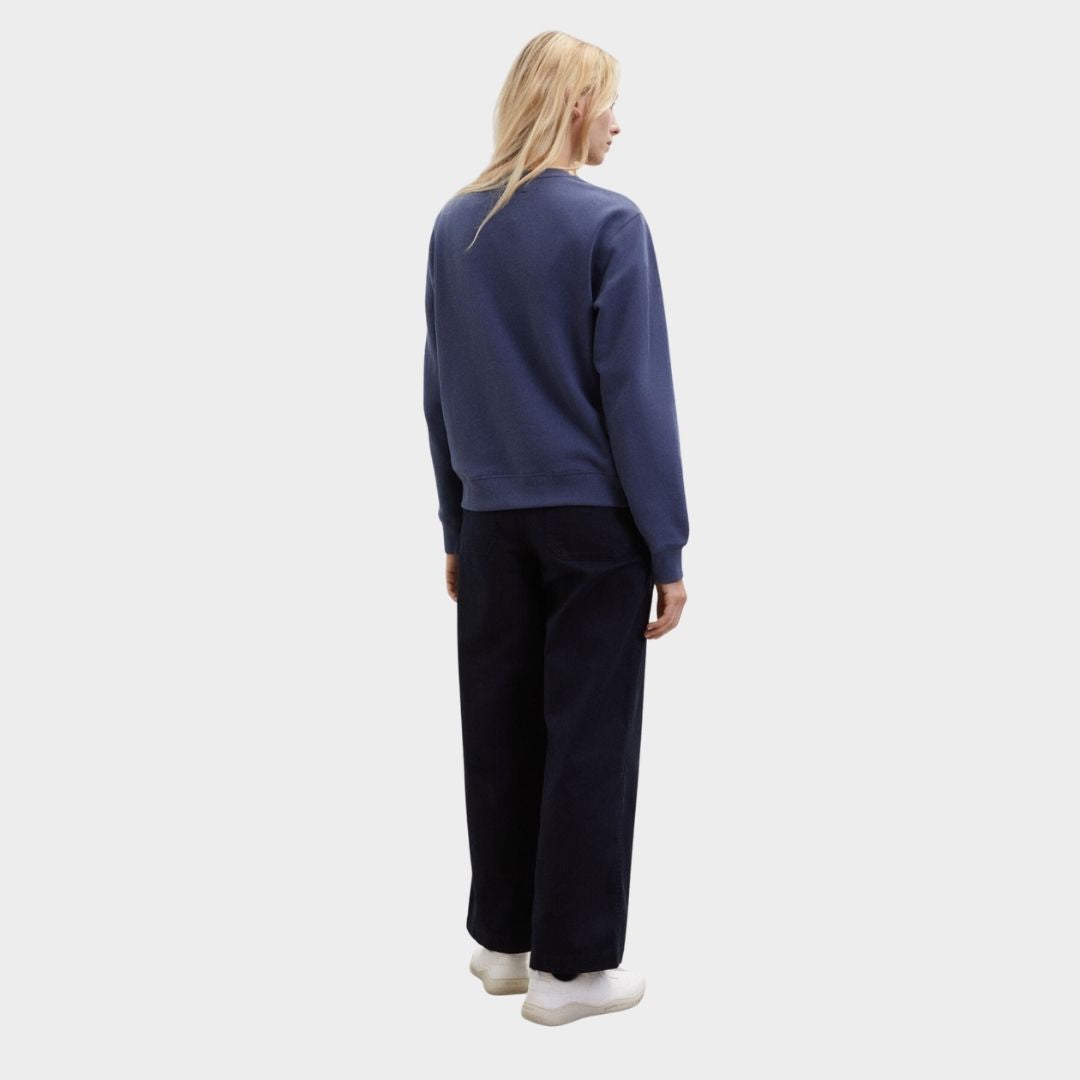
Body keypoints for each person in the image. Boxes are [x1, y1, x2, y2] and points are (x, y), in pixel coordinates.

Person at [422, 30, 690, 1027]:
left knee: (497, 729)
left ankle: (504, 945)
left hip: (492, 524)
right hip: (592, 529)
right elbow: (636, 399)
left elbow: (439, 389)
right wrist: (666, 546)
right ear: (576, 104)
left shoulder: (456, 225)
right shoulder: (611, 223)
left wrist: (456, 525)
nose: (618, 122)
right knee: (588, 740)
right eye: (610, 102)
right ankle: (570, 974)